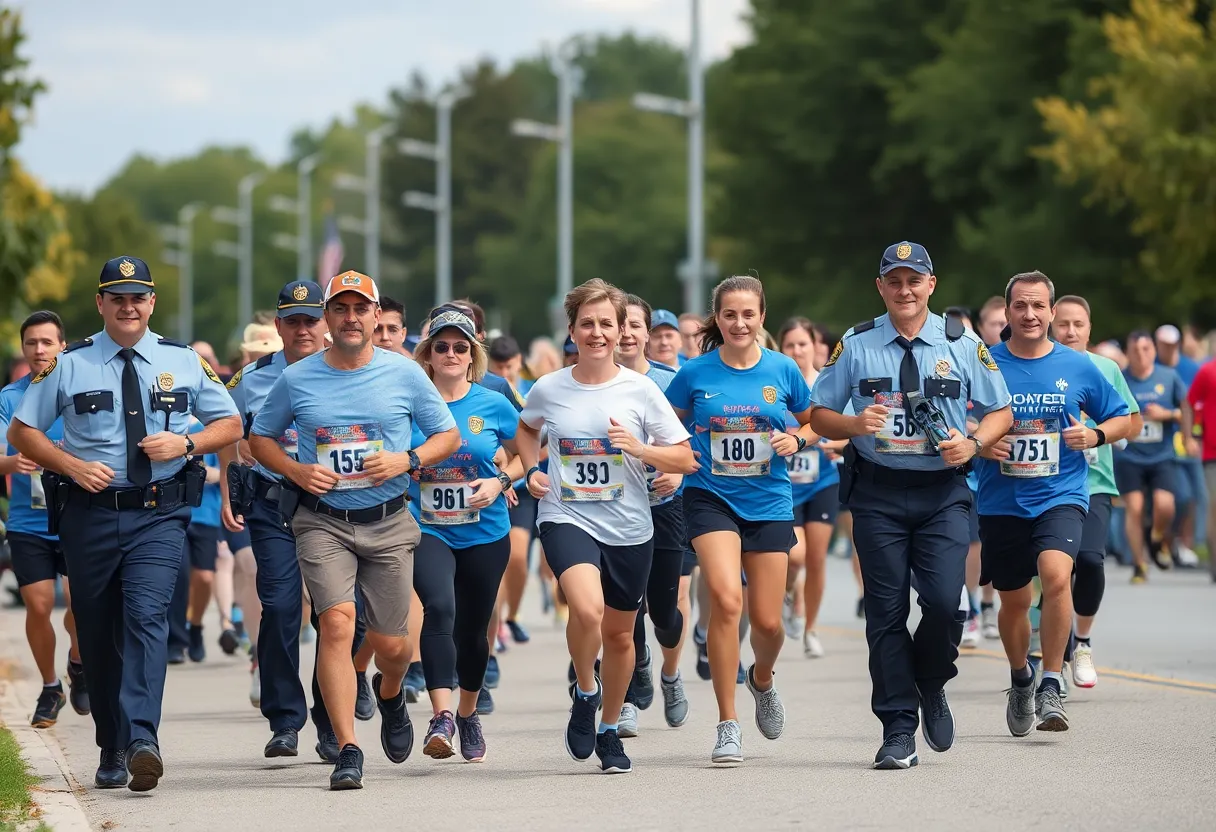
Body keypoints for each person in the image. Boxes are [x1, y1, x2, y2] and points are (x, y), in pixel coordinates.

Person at [8, 256, 242, 791]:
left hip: (159, 513)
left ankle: (141, 739)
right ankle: (111, 744)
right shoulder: (68, 364)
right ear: (101, 303)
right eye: (118, 298)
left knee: (146, 616)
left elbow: (230, 423)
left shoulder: (183, 360)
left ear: (152, 302)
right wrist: (69, 464)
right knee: (96, 629)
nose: (128, 307)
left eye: (138, 297)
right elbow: (23, 432)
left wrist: (186, 443)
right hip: (88, 514)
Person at [249, 270, 461, 790]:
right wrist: (296, 471)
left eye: (360, 309)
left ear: (374, 316)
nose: (350, 318)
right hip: (322, 521)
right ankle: (347, 747)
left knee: (392, 646)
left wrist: (406, 460)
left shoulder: (404, 373)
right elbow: (260, 438)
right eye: (339, 309)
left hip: (388, 523)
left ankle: (390, 693)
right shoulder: (297, 378)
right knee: (337, 624)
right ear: (327, 317)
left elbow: (448, 435)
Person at [809, 242, 1013, 770]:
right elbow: (819, 413)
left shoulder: (961, 342)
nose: (905, 290)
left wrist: (974, 443)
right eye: (894, 281)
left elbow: (1001, 410)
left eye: (914, 280)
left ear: (931, 285)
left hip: (942, 493)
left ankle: (932, 680)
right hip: (877, 494)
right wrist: (854, 424)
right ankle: (898, 728)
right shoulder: (856, 343)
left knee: (946, 604)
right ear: (880, 287)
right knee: (886, 612)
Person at [518, 279, 694, 775]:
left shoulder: (642, 389)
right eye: (587, 324)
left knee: (620, 637)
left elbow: (684, 457)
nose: (596, 333)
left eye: (606, 324)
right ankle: (585, 689)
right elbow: (527, 429)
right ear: (572, 330)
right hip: (566, 515)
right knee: (587, 609)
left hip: (630, 527)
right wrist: (531, 469)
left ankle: (610, 728)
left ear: (620, 332)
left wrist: (641, 449)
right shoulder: (550, 387)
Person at [222, 280, 376, 760]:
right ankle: (285, 719)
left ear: (325, 322)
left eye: (311, 320)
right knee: (281, 605)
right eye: (293, 321)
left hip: (334, 504)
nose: (303, 329)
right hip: (273, 504)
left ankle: (331, 717)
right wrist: (230, 481)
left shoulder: (344, 369)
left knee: (343, 614)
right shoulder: (251, 378)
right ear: (278, 325)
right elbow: (226, 427)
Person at [665, 276, 814, 765]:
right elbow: (666, 423)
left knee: (768, 623)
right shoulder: (694, 372)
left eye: (748, 314)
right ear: (718, 319)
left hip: (768, 500)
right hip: (710, 497)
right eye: (729, 314)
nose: (739, 323)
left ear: (761, 317)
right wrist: (675, 456)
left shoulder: (782, 368)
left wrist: (800, 438)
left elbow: (814, 419)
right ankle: (727, 724)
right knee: (727, 601)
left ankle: (762, 679)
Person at [975, 274, 1130, 734]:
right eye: (1021, 306)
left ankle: (1050, 681)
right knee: (1014, 600)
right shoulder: (985, 363)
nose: (1030, 315)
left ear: (1051, 311)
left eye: (1038, 306)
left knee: (1057, 575)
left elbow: (1124, 418)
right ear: (1007, 311)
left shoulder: (1077, 365)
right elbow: (955, 418)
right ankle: (1020, 677)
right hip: (1002, 500)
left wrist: (1095, 435)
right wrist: (979, 442)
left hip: (1060, 493)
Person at [407, 309, 520, 762]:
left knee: (473, 629)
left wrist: (502, 480)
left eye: (460, 347)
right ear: (428, 354)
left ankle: (468, 714)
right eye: (441, 346)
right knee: (439, 607)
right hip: (425, 527)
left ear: (473, 354)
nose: (450, 354)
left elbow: (529, 448)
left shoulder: (493, 401)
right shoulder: (411, 403)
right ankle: (442, 716)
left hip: (484, 531)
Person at [0, 311, 88, 727]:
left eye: (47, 342)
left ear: (62, 346)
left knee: (80, 604)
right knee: (38, 606)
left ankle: (78, 662)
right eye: (32, 343)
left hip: (76, 514)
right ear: (23, 349)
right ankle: (50, 687)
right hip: (28, 522)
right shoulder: (9, 398)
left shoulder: (80, 390)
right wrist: (11, 462)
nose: (39, 350)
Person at [1051, 295, 1142, 687]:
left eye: (1078, 324)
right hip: (1048, 484)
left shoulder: (1106, 368)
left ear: (1089, 329)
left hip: (1095, 482)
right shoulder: (1038, 365)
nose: (1071, 331)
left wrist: (1099, 433)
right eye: (1063, 324)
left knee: (1089, 561)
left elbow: (1132, 422)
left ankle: (1082, 641)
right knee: (1055, 572)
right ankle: (1055, 653)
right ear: (1051, 325)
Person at [614, 295, 692, 736]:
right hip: (614, 509)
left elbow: (696, 440)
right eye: (619, 324)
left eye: (635, 325)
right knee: (626, 605)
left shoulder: (671, 381)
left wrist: (677, 473)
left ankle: (670, 673)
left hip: (665, 507)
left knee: (664, 611)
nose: (626, 333)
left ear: (647, 333)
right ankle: (628, 690)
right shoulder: (595, 382)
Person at [777, 317, 842, 659]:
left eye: (802, 344)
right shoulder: (775, 386)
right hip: (784, 486)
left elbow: (849, 428)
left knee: (816, 559)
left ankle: (811, 628)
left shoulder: (826, 385)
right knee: (796, 556)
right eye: (789, 345)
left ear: (814, 346)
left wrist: (837, 444)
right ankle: (789, 593)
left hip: (822, 482)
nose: (797, 351)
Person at [1117, 331, 1190, 581]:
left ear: (1154, 351)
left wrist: (1166, 415)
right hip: (1130, 456)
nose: (1141, 355)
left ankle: (1157, 535)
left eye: (1146, 349)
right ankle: (1140, 565)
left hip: (1162, 455)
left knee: (1165, 504)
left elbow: (1185, 410)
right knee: (1135, 508)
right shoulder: (1120, 379)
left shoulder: (1168, 377)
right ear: (1127, 353)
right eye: (1135, 350)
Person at [166, 416, 222, 664]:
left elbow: (224, 471)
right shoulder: (166, 426)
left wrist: (200, 471)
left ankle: (196, 625)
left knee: (205, 577)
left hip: (206, 513)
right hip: (174, 513)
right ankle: (176, 641)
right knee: (180, 575)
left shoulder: (209, 427)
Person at [1156, 324, 1206, 564]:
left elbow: (1195, 405)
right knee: (1180, 496)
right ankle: (1168, 541)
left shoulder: (1191, 368)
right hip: (1164, 444)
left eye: (1171, 344)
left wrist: (1193, 435)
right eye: (1163, 344)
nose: (1168, 348)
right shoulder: (1152, 367)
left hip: (1190, 441)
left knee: (1198, 495)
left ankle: (1186, 544)